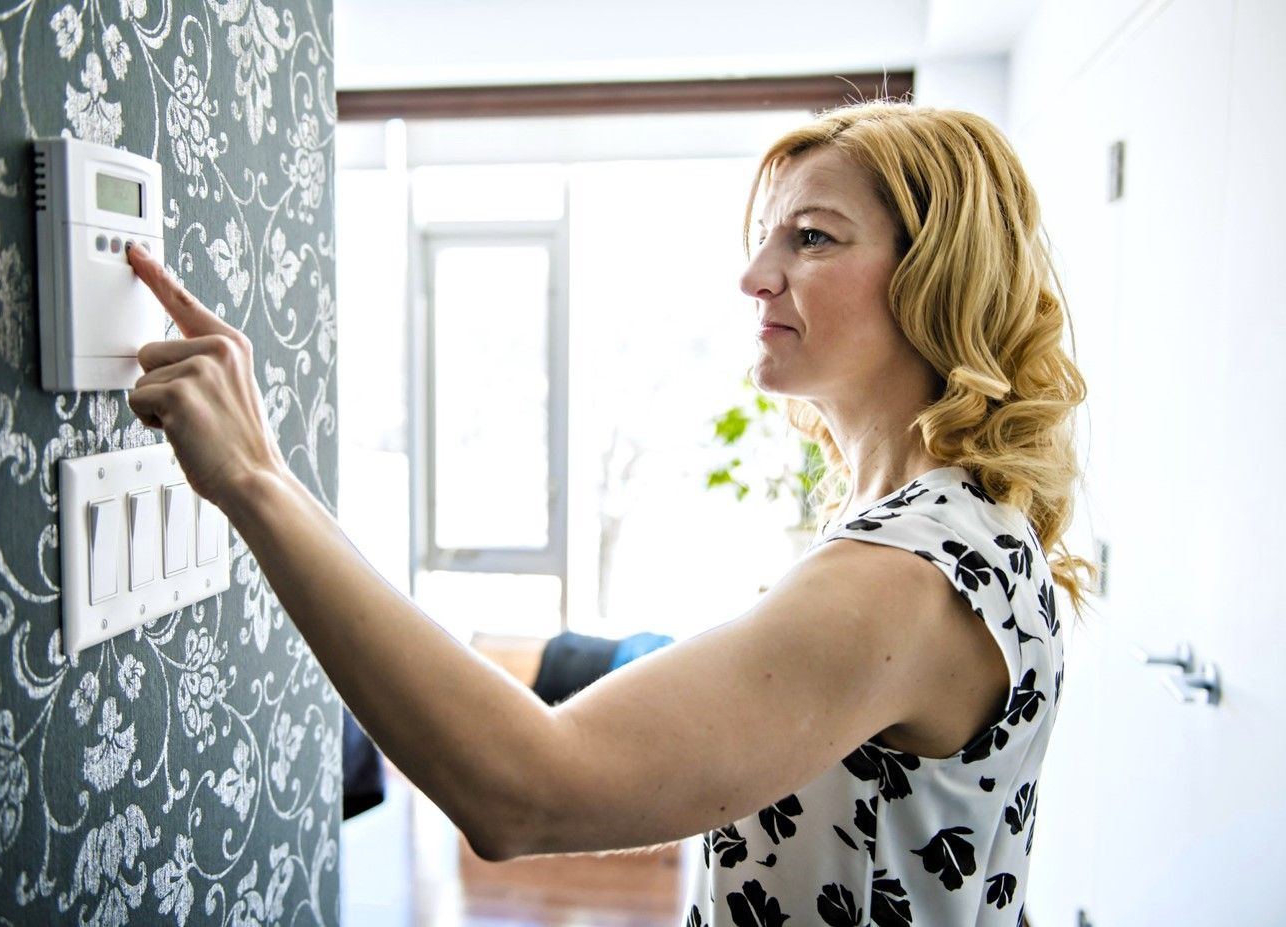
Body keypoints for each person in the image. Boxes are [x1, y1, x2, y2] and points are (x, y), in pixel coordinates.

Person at [125, 100, 1089, 925]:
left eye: (812, 236)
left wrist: (256, 479)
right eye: (765, 238)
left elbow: (525, 791)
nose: (756, 275)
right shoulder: (959, 529)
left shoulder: (903, 578)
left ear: (936, 277)